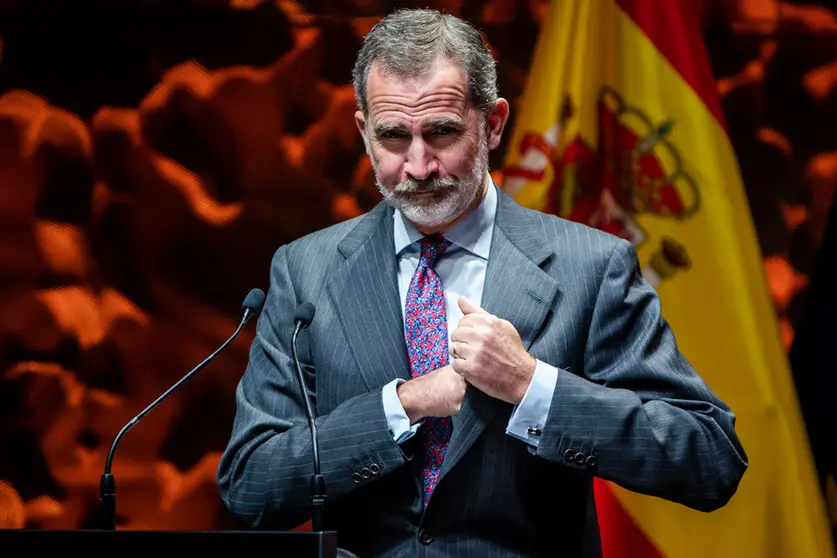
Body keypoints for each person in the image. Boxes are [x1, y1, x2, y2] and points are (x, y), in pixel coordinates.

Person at [216, 8, 748, 557]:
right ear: (362, 130)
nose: (418, 166)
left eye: (442, 132)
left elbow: (709, 459)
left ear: (492, 123)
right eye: (393, 137)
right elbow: (251, 488)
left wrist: (531, 385)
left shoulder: (592, 265)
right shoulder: (306, 271)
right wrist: (404, 405)